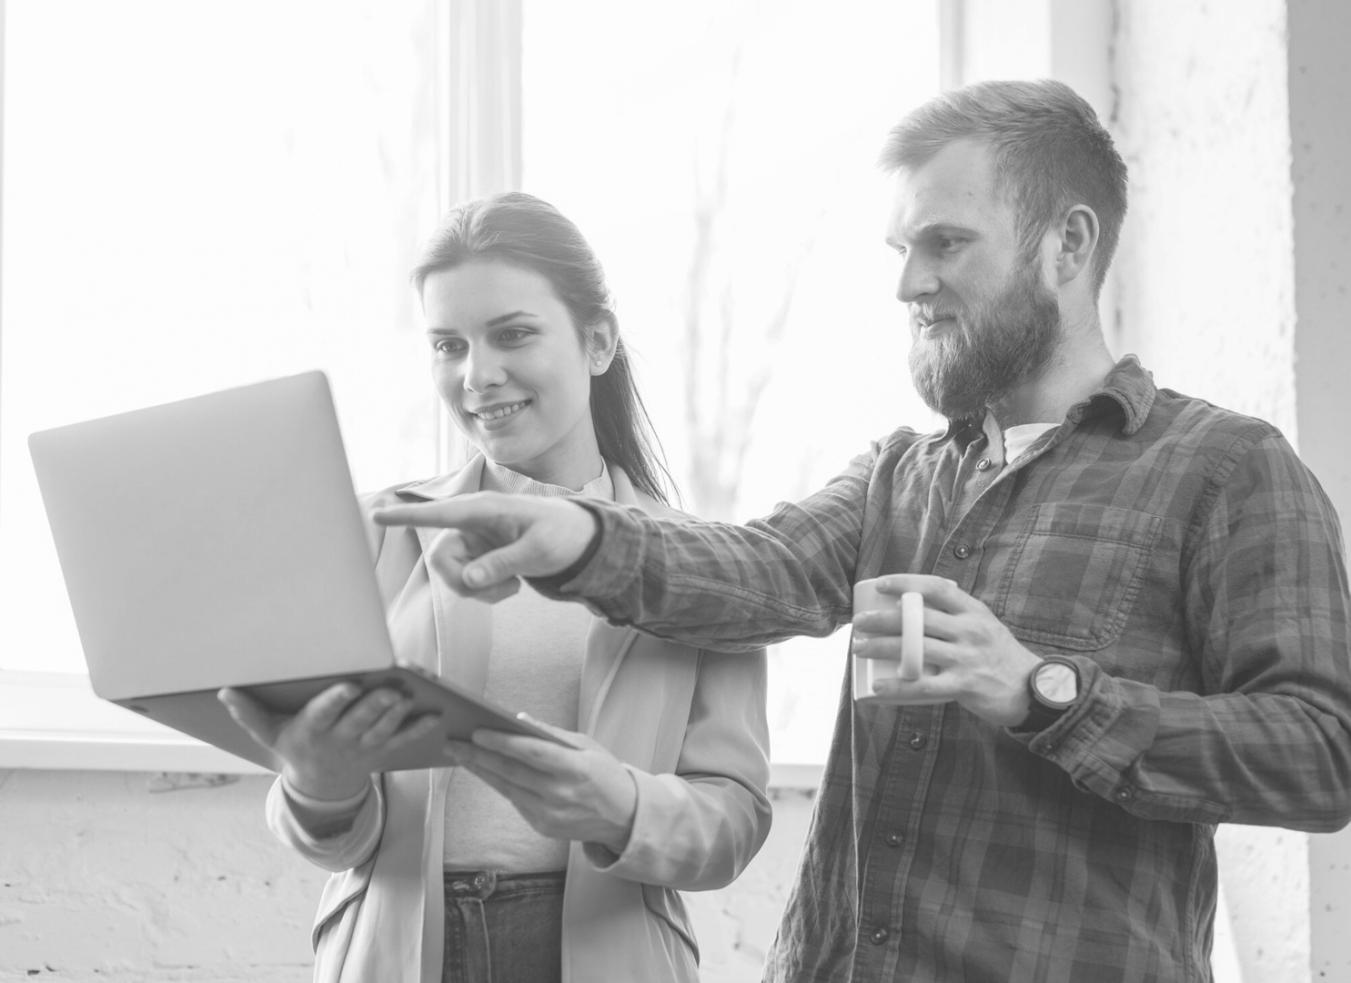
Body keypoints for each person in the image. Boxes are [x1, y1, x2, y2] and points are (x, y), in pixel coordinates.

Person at [374, 80, 1351, 982]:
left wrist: (1040, 689)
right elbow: (756, 571)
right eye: (902, 252)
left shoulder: (1224, 468)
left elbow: (1322, 753)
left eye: (946, 243)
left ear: (1068, 244)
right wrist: (580, 537)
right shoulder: (900, 474)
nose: (908, 284)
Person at [219, 191, 772, 983]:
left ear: (597, 342)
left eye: (512, 334)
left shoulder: (699, 562)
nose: (476, 375)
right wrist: (319, 784)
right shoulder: (373, 532)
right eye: (448, 344)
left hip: (602, 954)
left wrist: (620, 804)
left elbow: (735, 819)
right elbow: (329, 836)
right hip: (397, 952)